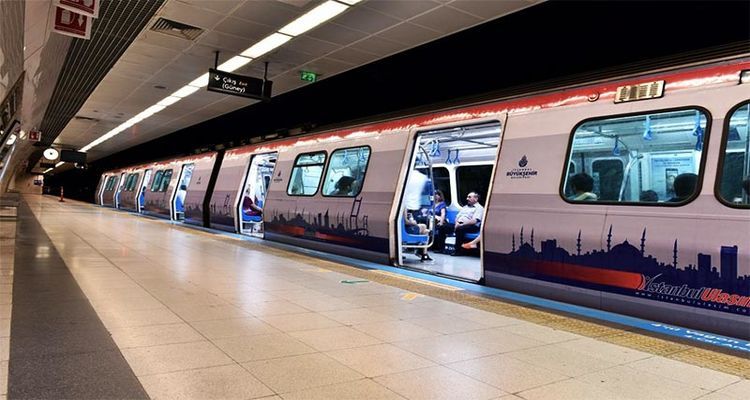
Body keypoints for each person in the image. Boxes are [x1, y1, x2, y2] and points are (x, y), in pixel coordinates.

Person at [435, 191, 484, 256]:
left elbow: (474, 221)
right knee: (443, 227)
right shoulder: (465, 207)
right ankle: (441, 249)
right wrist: (456, 223)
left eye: (469, 197)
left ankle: (458, 251)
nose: (467, 199)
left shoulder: (479, 208)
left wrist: (462, 224)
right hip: (458, 224)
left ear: (476, 199)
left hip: (472, 226)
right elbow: (457, 216)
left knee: (460, 229)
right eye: (467, 197)